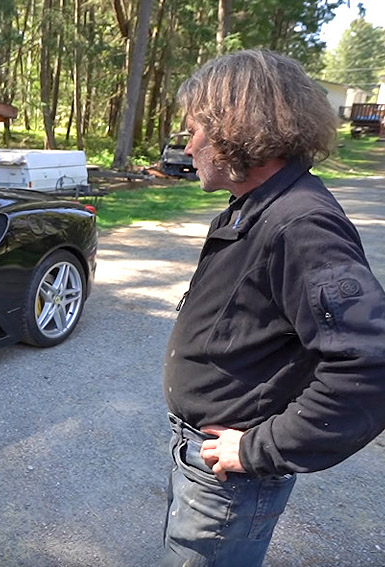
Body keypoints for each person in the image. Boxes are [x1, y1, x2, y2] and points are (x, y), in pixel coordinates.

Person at [161, 49, 385, 567]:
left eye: (196, 130)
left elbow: (371, 364)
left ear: (234, 129)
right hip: (199, 455)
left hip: (229, 475)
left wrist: (259, 449)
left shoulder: (300, 224)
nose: (188, 145)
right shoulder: (258, 205)